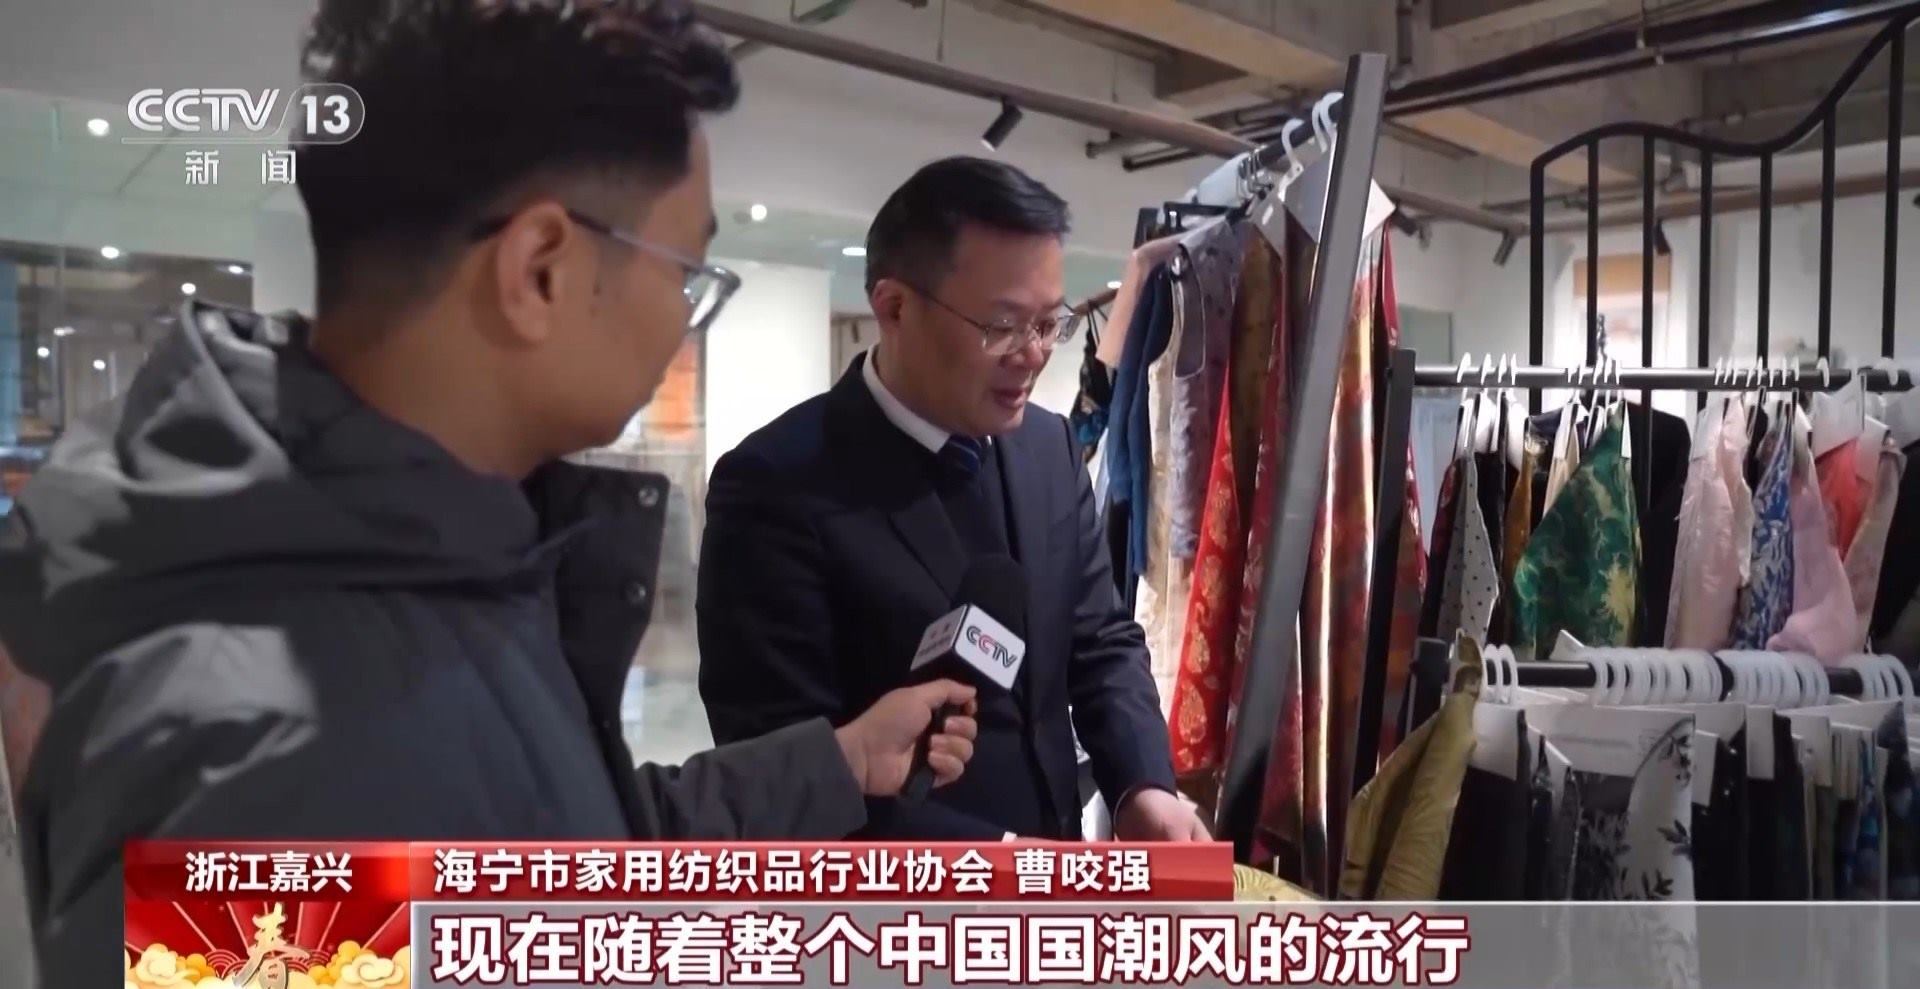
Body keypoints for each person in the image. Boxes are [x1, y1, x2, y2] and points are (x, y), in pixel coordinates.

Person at [0, 2, 978, 984]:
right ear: (540, 269)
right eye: (684, 272)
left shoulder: (420, 555)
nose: (682, 318)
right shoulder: (272, 740)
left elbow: (555, 848)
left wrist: (838, 761)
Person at [698, 157, 1208, 842]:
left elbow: (1099, 642)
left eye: (1048, 324)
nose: (1033, 354)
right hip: (904, 894)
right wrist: (994, 860)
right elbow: (780, 765)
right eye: (1002, 325)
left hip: (1054, 866)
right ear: (894, 307)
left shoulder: (1049, 449)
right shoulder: (776, 485)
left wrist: (1142, 787)